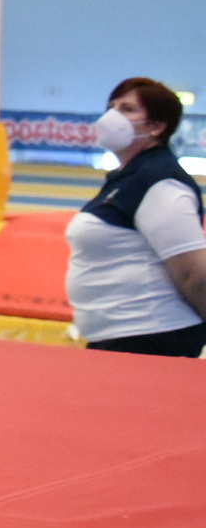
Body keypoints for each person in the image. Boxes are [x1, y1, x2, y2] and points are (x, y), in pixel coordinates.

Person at [65, 78, 206, 357]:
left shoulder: (160, 182)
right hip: (120, 336)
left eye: (127, 109)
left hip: (152, 337)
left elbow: (194, 273)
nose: (112, 116)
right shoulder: (128, 177)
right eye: (112, 107)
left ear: (156, 126)